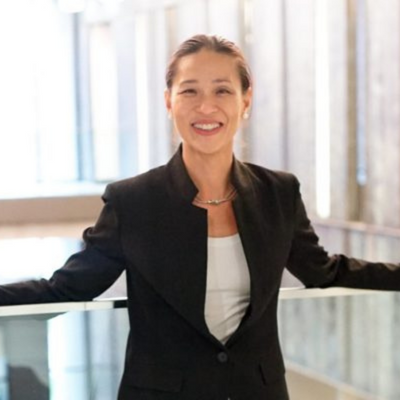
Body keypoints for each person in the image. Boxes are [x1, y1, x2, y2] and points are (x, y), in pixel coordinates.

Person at [1, 34, 400, 400]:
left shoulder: (278, 193)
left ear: (245, 100)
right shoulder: (133, 201)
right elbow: (67, 288)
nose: (205, 107)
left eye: (222, 90)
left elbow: (324, 272)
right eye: (189, 91)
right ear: (168, 100)